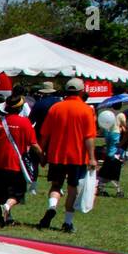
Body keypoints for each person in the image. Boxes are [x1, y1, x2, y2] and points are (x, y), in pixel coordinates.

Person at [37, 78, 98, 234]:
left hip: (56, 155)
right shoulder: (86, 110)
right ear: (81, 91)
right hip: (77, 157)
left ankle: (52, 206)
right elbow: (89, 137)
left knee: (56, 185)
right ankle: (67, 222)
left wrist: (42, 153)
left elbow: (45, 134)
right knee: (72, 189)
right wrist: (92, 157)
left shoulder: (56, 108)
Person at [0, 94, 41, 227]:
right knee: (17, 193)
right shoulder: (25, 122)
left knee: (1, 192)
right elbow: (33, 144)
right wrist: (42, 156)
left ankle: (5, 217)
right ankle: (7, 207)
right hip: (16, 164)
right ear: (20, 108)